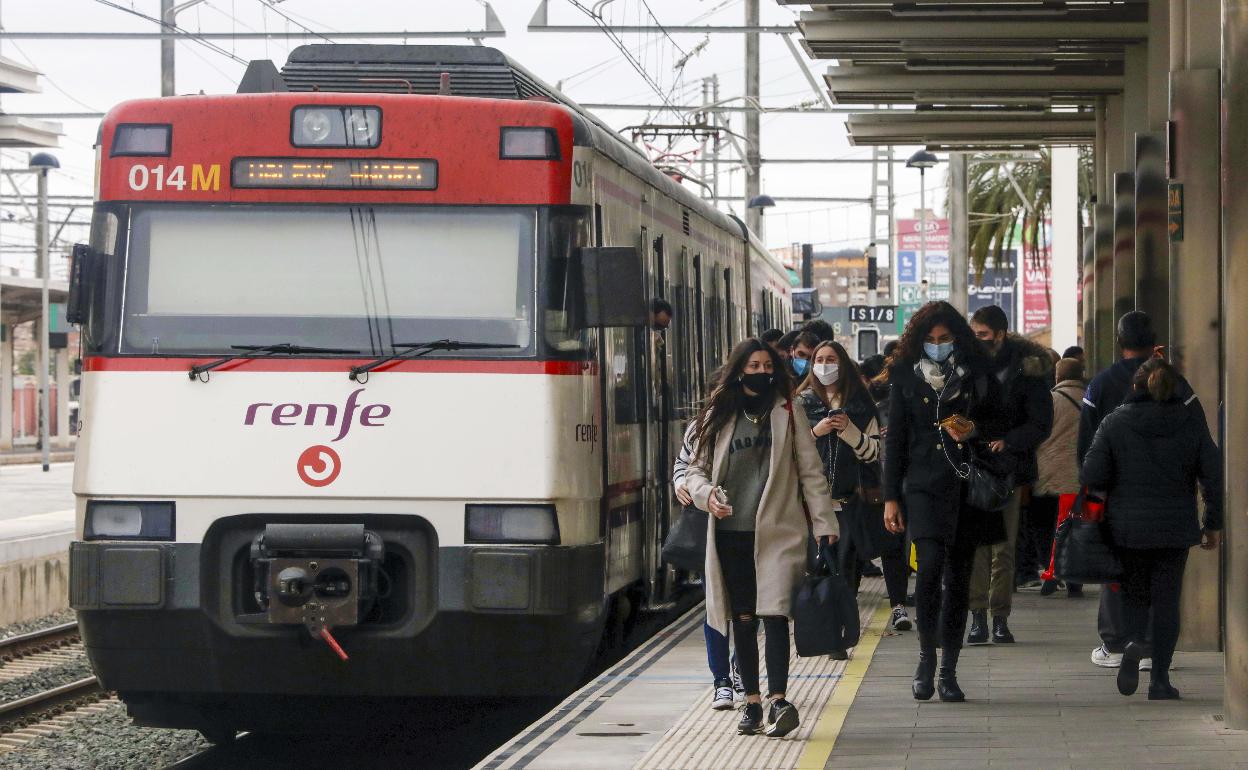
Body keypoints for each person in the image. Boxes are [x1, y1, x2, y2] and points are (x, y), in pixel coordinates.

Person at [685, 338, 839, 737]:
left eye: (767, 366)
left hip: (778, 532)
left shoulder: (789, 411)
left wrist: (825, 526)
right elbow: (693, 472)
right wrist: (708, 496)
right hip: (731, 534)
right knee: (743, 618)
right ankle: (751, 703)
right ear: (738, 370)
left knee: (775, 614)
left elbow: (811, 472)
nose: (761, 373)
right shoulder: (717, 416)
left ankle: (778, 700)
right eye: (752, 366)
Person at [882, 301, 1008, 703]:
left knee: (958, 579)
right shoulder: (904, 376)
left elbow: (1003, 421)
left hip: (966, 487)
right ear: (920, 341)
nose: (938, 346)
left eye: (945, 339)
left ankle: (948, 671)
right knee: (929, 571)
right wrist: (890, 498)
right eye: (931, 340)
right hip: (922, 486)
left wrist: (974, 429)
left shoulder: (979, 375)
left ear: (957, 338)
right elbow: (896, 441)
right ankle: (924, 659)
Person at [1081, 358, 1222, 700]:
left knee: (1134, 596)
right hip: (1175, 528)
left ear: (1135, 387)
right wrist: (1212, 524)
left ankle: (1133, 642)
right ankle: (1160, 679)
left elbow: (1092, 474)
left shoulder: (1115, 422)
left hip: (1126, 528)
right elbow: (1213, 475)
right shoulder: (1190, 422)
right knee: (1167, 602)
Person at [965, 305, 1054, 645]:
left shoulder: (1027, 371)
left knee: (1004, 547)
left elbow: (1041, 422)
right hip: (973, 466)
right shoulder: (965, 367)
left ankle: (999, 616)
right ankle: (976, 617)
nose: (978, 341)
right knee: (976, 547)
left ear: (1000, 334)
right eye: (974, 335)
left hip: (1010, 469)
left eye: (983, 335)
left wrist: (1011, 441)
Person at [797, 341, 883, 595]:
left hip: (849, 504)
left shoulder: (861, 404)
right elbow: (789, 452)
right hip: (809, 505)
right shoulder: (802, 403)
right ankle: (819, 626)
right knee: (814, 573)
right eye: (819, 360)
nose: (824, 366)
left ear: (843, 364)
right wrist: (816, 432)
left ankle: (845, 627)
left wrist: (849, 430)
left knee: (847, 574)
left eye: (831, 359)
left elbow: (873, 453)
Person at [672, 418, 742, 710]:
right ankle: (722, 681)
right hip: (709, 529)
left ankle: (741, 668)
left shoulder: (761, 420)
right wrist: (680, 483)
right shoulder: (701, 426)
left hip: (749, 526)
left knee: (747, 606)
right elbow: (683, 463)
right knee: (714, 606)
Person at [855, 354, 913, 631]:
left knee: (880, 549)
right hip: (877, 490)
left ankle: (896, 606)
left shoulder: (877, 410)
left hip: (879, 490)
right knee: (884, 550)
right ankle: (896, 607)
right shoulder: (866, 410)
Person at [1031, 357, 1086, 596]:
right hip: (1078, 476)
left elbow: (1036, 434)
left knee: (1044, 527)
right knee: (1075, 528)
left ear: (1057, 377)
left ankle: (1050, 572)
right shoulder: (1091, 400)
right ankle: (1075, 579)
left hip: (1048, 475)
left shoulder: (1048, 400)